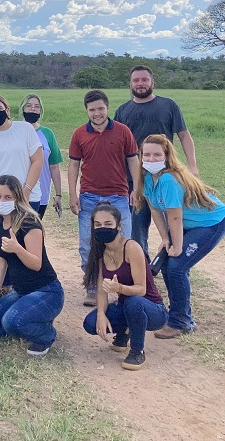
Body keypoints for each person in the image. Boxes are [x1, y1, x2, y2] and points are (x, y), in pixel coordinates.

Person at [137, 135, 225, 339]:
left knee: (177, 266)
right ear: (141, 156)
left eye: (157, 155)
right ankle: (180, 315)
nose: (151, 159)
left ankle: (180, 322)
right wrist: (165, 238)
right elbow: (154, 209)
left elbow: (175, 217)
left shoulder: (168, 179)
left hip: (210, 222)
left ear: (167, 156)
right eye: (147, 154)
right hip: (187, 223)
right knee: (166, 264)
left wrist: (177, 246)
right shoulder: (146, 177)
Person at [114, 65, 199, 256]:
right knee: (137, 225)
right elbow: (118, 147)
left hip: (165, 175)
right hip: (135, 178)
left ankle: (172, 258)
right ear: (130, 84)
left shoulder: (168, 105)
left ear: (153, 82)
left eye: (144, 80)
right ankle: (142, 267)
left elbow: (184, 136)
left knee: (173, 220)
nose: (140, 84)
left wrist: (192, 166)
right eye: (136, 80)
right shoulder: (122, 111)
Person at [0, 175, 64, 356]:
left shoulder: (29, 222)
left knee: (13, 322)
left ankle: (46, 334)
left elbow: (36, 264)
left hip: (46, 291)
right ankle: (31, 318)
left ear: (18, 198)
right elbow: (0, 261)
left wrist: (17, 248)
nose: (1, 201)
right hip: (21, 291)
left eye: (8, 197)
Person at [69, 90, 139, 307]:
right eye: (92, 110)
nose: (97, 113)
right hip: (89, 196)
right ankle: (92, 287)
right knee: (87, 244)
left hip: (118, 195)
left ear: (107, 108)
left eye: (100, 108)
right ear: (87, 111)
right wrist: (73, 194)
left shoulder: (123, 131)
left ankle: (123, 288)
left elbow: (133, 161)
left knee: (122, 242)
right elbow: (73, 165)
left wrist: (136, 189)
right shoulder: (79, 134)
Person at [82, 203, 167, 371]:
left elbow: (141, 290)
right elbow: (101, 290)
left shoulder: (132, 247)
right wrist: (100, 314)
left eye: (108, 224)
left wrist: (118, 288)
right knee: (91, 323)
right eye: (97, 225)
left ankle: (137, 350)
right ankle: (124, 331)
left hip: (152, 309)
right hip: (126, 306)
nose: (102, 228)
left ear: (119, 226)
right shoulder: (101, 253)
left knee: (133, 302)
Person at [0, 95, 43, 213]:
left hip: (27, 198)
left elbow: (37, 161)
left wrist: (26, 190)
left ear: (7, 110)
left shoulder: (25, 128)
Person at [20, 94, 62, 219]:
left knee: (34, 231)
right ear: (22, 108)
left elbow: (54, 166)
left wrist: (58, 194)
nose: (33, 109)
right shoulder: (15, 130)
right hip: (17, 191)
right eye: (29, 106)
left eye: (36, 107)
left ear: (41, 111)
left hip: (41, 194)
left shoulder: (47, 134)